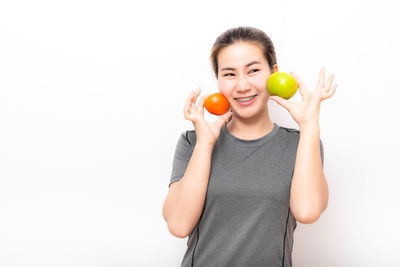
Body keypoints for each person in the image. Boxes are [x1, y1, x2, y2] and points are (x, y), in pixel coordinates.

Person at [162, 26, 337, 267]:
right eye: (230, 74)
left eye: (253, 70)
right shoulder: (193, 141)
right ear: (218, 80)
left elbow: (307, 211)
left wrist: (309, 125)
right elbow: (179, 225)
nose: (242, 86)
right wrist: (205, 143)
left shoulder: (301, 143)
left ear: (273, 73)